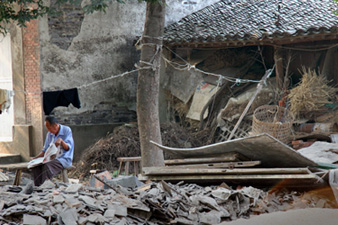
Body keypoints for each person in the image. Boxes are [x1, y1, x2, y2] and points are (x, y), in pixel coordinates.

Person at [31, 116, 74, 186]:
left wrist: (62, 142)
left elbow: (68, 148)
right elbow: (45, 150)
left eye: (49, 128)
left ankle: (46, 187)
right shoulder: (50, 134)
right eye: (47, 128)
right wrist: (35, 158)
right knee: (36, 166)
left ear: (55, 125)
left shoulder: (66, 130)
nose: (48, 131)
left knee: (47, 166)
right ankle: (38, 187)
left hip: (64, 159)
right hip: (51, 158)